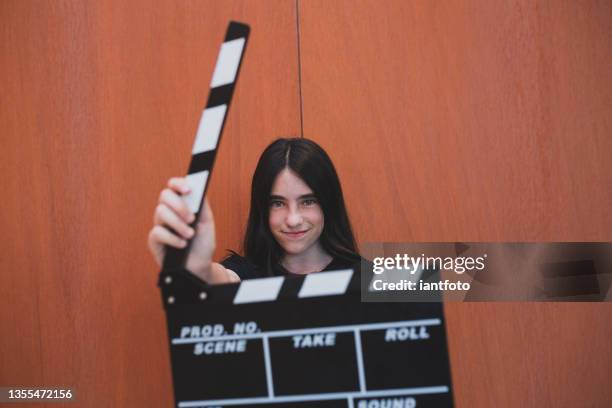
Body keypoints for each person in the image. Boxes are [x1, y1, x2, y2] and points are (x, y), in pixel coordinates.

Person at [148, 137, 361, 284]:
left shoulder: (375, 274)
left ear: (328, 202)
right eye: (278, 203)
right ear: (262, 209)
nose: (293, 219)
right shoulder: (245, 273)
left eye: (308, 201)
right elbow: (221, 278)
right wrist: (197, 268)